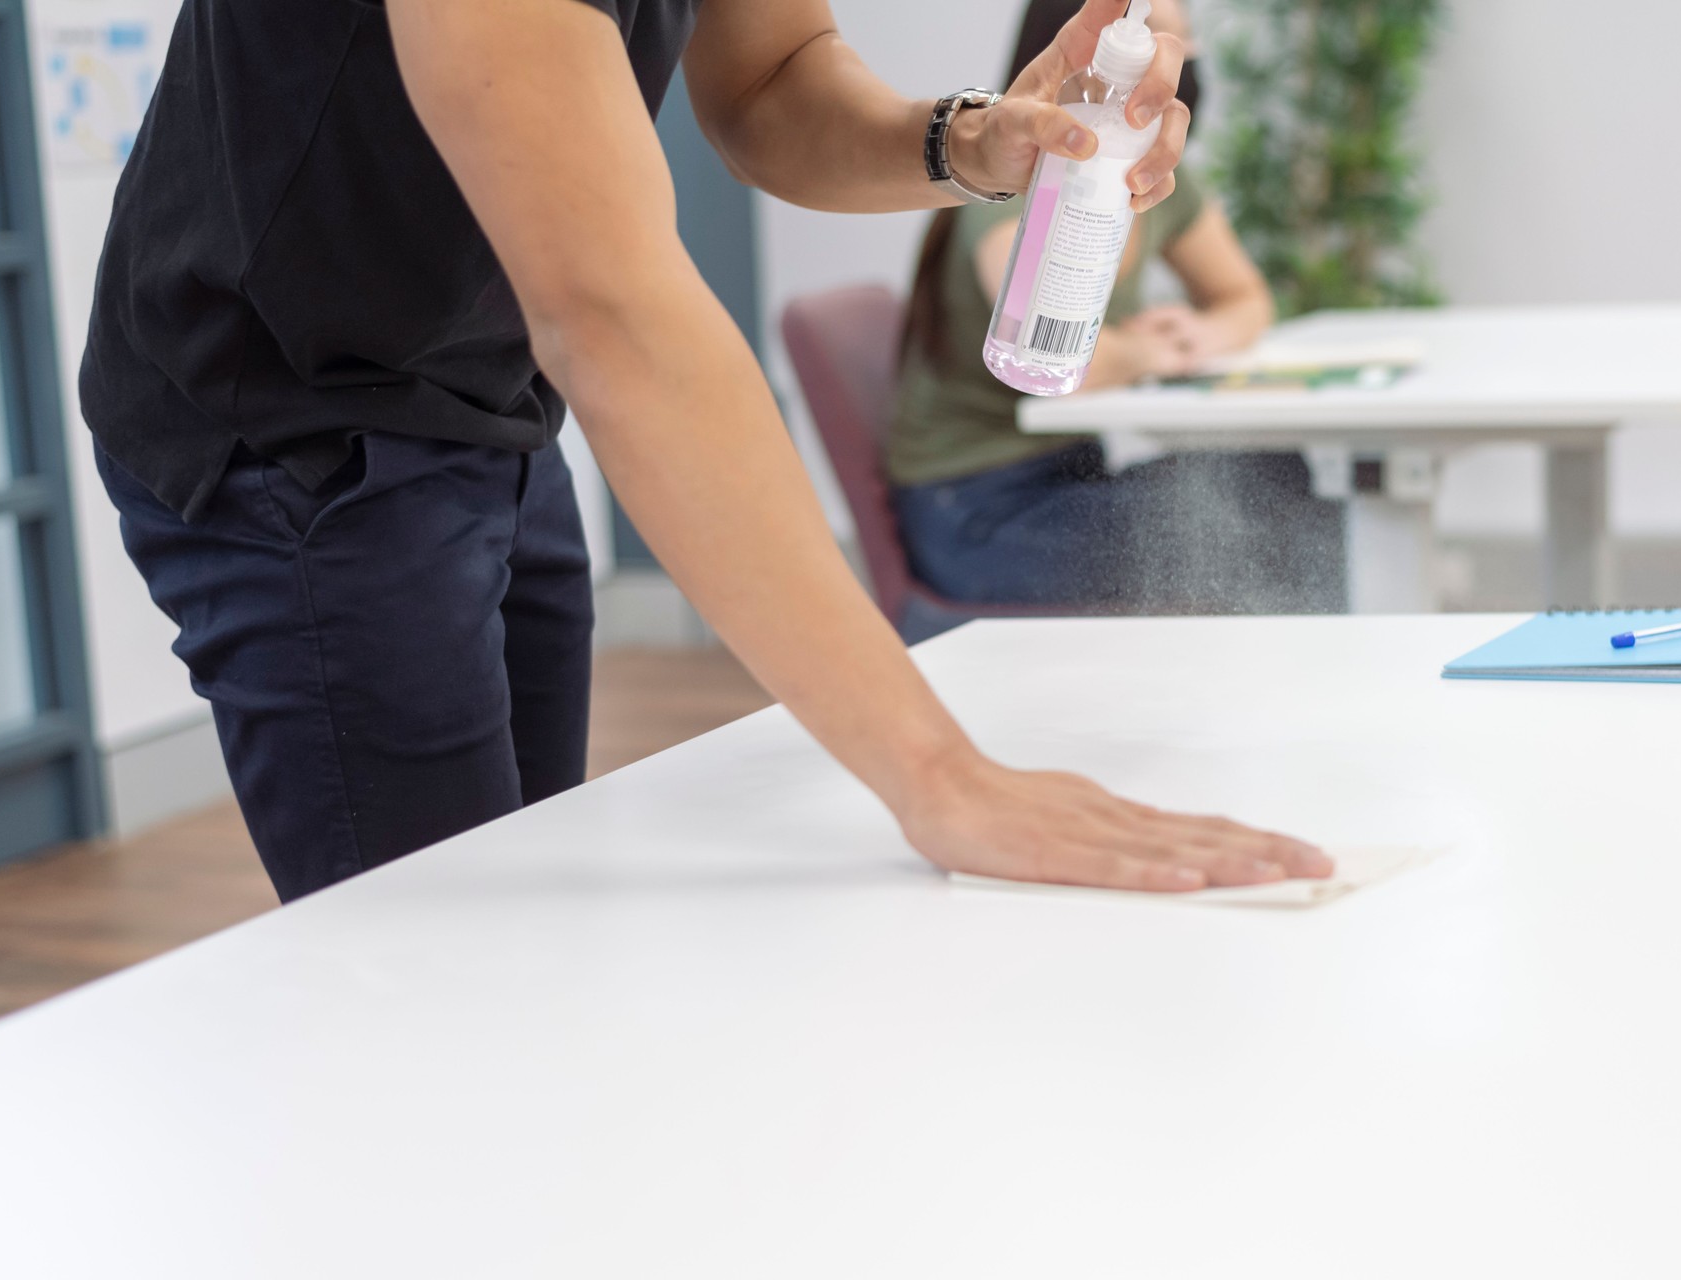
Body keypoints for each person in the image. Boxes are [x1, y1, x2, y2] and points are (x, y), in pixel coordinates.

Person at [82, 0, 1331, 903]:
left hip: (480, 395)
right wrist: (941, 774)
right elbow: (616, 316)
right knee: (439, 977)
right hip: (288, 416)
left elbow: (774, 80)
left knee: (527, 895)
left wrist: (975, 141)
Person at [890, 0, 1346, 617]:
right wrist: (1152, 353)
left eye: (1187, 46)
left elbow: (1246, 299)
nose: (1179, 69)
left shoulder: (1149, 174)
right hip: (980, 505)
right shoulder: (1020, 177)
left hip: (1074, 476)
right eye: (1160, 44)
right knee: (1248, 518)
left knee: (1277, 475)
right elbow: (1049, 350)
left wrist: (1196, 336)